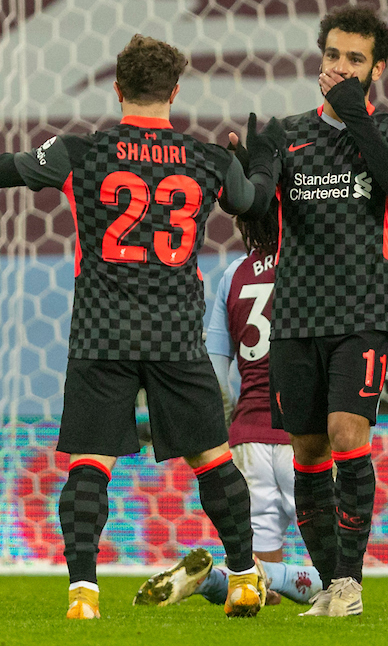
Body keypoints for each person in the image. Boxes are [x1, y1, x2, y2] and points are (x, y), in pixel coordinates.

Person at [0, 34, 275, 620]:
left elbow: (7, 169)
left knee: (89, 466)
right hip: (175, 334)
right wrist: (259, 157)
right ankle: (243, 577)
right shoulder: (208, 160)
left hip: (101, 332)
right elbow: (255, 200)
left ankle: (83, 595)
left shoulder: (79, 154)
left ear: (116, 89)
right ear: (175, 91)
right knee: (213, 461)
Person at [235, 4, 388, 617]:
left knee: (349, 435)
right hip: (295, 315)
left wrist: (354, 118)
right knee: (310, 454)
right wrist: (242, 183)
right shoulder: (286, 134)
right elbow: (260, 214)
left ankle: (351, 585)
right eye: (333, 55)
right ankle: (330, 583)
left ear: (378, 68)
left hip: (362, 310)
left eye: (354, 59)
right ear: (321, 56)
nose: (340, 66)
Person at [133, 215, 322, 608]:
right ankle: (272, 574)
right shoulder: (317, 260)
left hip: (248, 438)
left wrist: (236, 419)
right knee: (342, 575)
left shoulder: (235, 274)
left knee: (256, 587)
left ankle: (210, 581)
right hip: (306, 437)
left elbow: (216, 375)